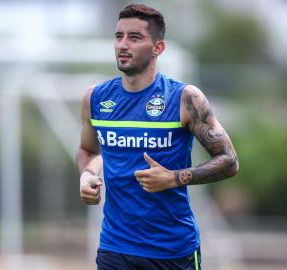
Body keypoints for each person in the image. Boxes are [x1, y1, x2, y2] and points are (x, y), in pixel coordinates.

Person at [76, 4, 239, 270]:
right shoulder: (95, 98)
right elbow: (89, 152)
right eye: (119, 36)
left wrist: (174, 178)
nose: (122, 45)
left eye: (134, 37)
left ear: (158, 48)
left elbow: (229, 161)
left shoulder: (185, 99)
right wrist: (87, 175)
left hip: (172, 250)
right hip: (115, 248)